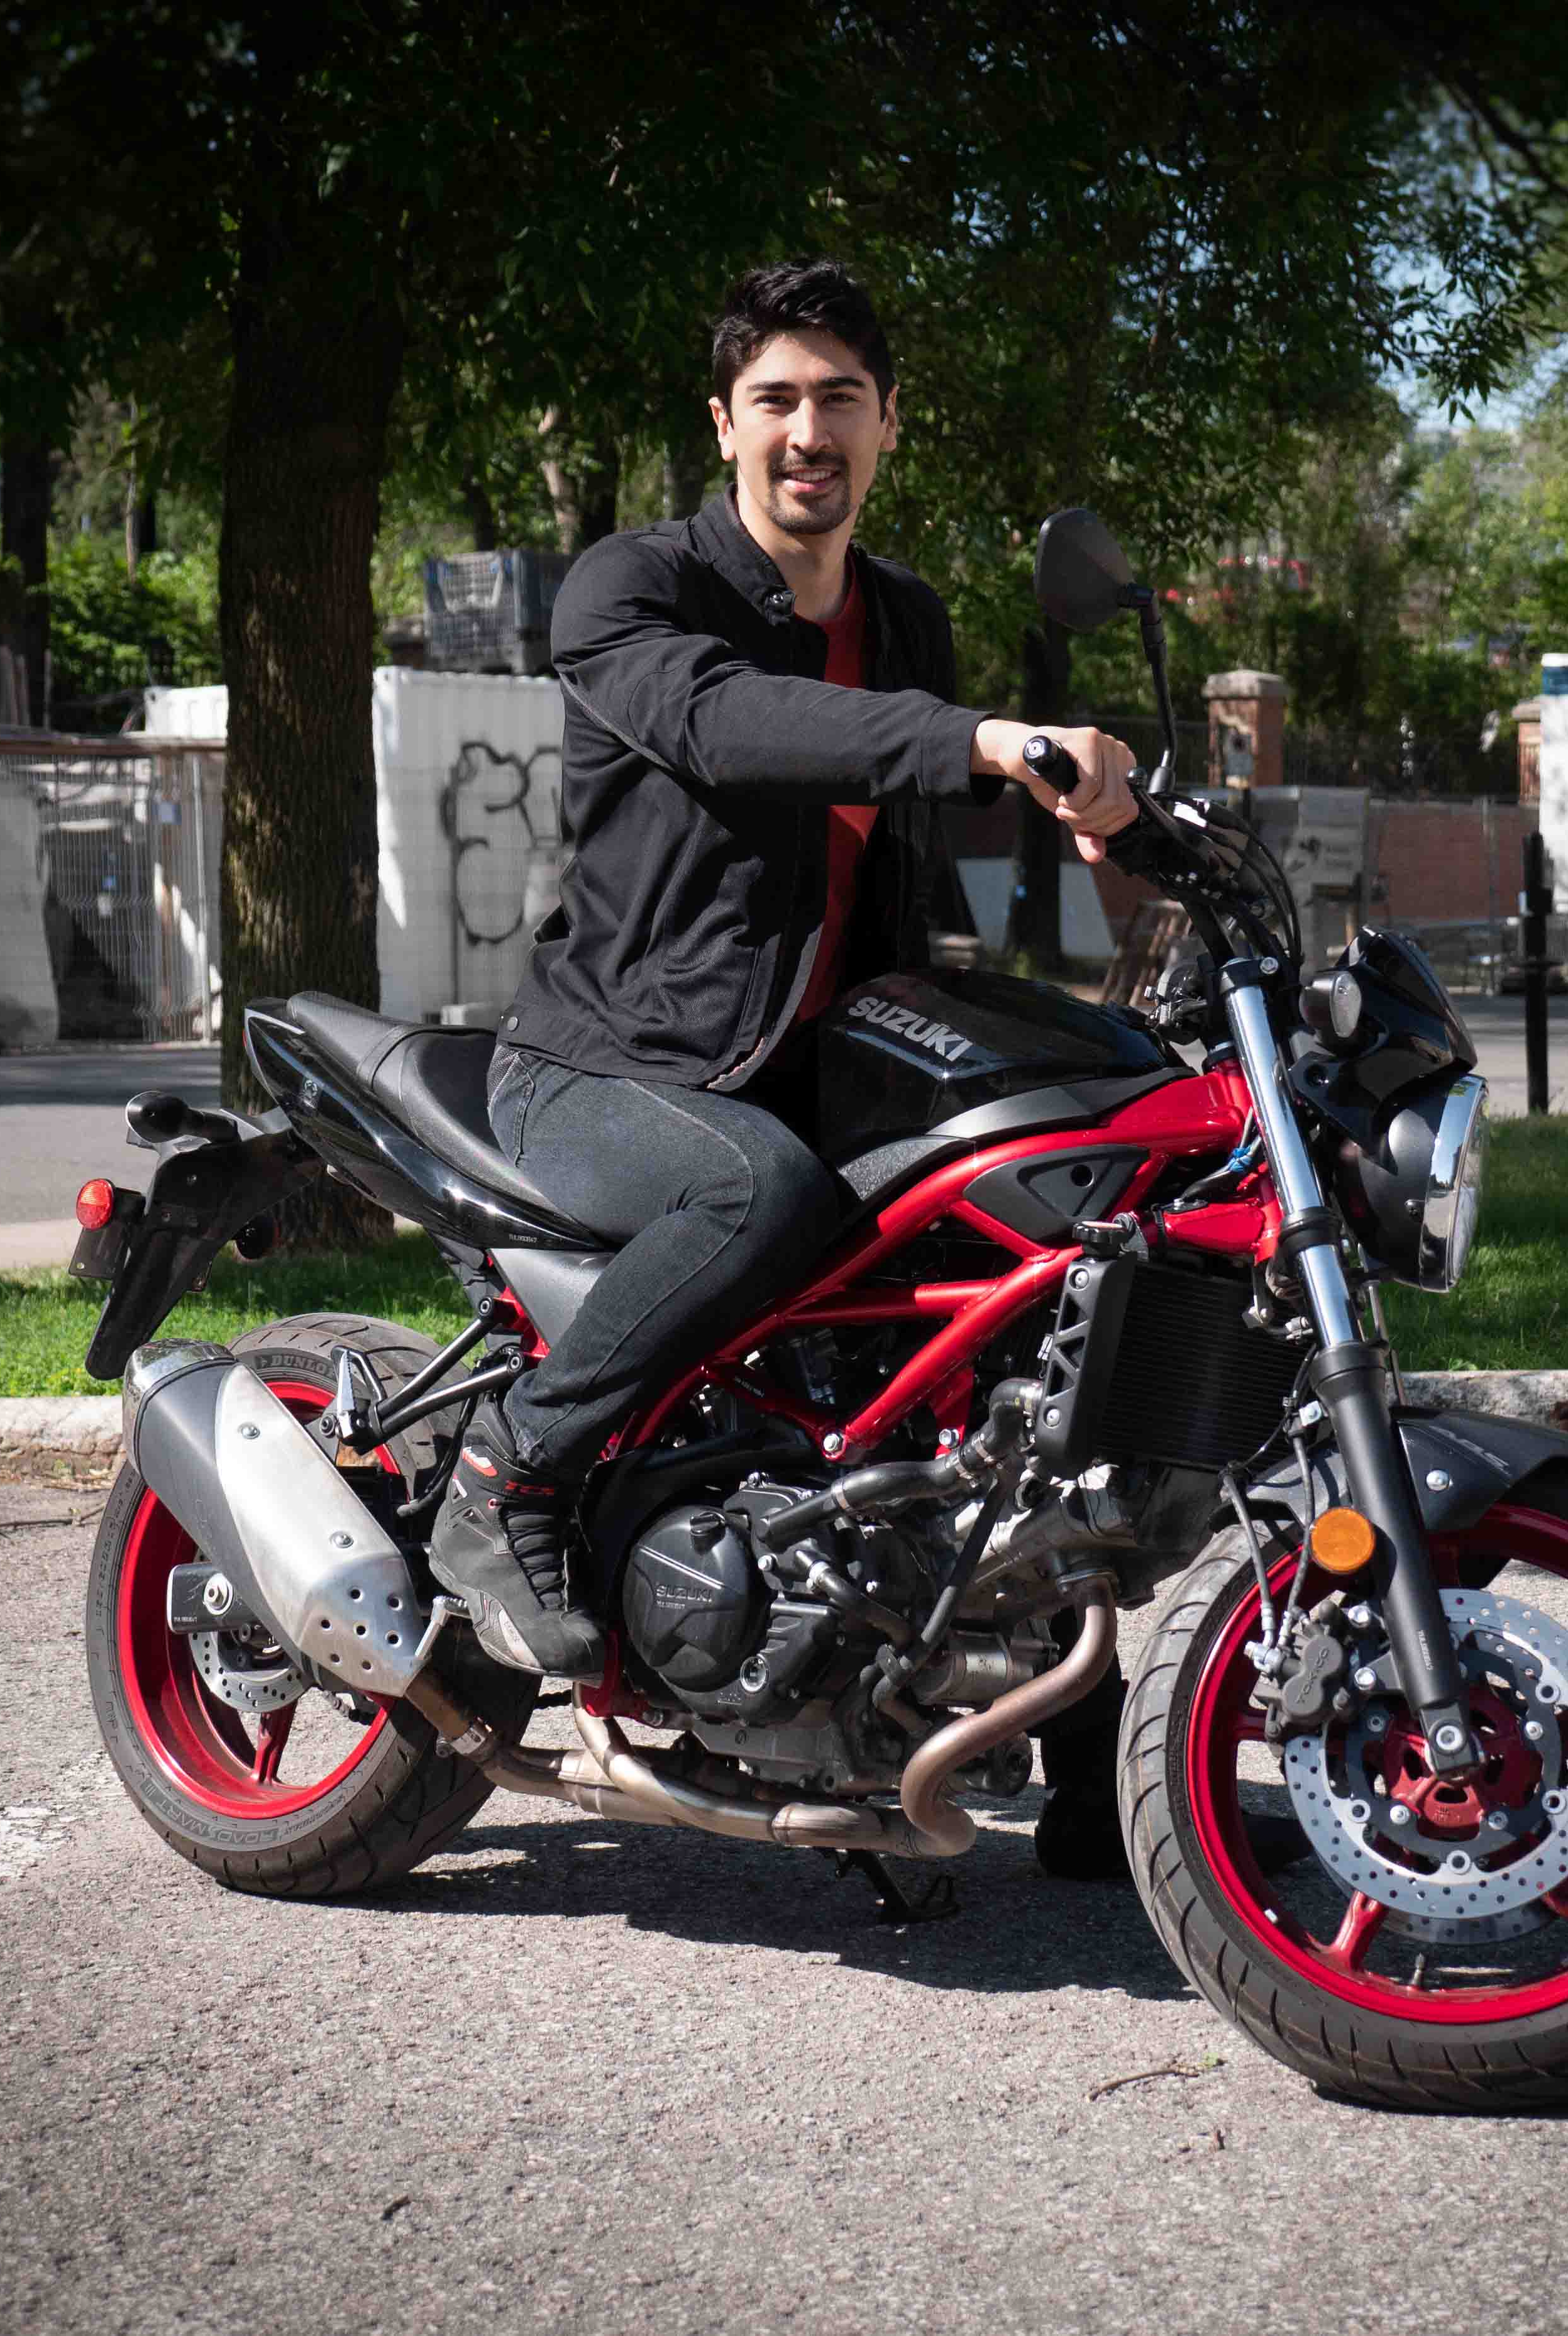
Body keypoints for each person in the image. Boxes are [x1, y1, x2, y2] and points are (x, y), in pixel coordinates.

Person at [428, 258, 1142, 1876]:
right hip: (610, 1064)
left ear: (887, 428)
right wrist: (975, 740)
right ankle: (508, 1472)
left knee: (1055, 1258)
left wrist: (1124, 859)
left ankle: (1088, 1747)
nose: (805, 431)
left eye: (837, 400)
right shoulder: (631, 591)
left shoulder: (903, 617)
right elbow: (731, 726)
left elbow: (923, 860)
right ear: (725, 425)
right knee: (760, 1185)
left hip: (814, 1050)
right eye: (775, 401)